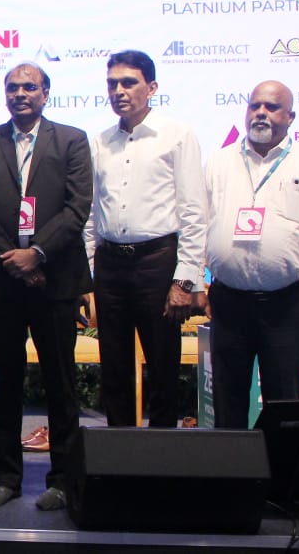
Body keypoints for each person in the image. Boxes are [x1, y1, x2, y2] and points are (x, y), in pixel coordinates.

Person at [0, 63, 92, 510]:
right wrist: (14, 259)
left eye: (29, 87)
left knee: (60, 382)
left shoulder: (71, 140)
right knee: (6, 380)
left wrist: (37, 253)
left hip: (56, 278)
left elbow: (77, 207)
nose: (20, 93)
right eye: (13, 87)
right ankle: (5, 478)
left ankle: (63, 480)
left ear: (45, 93)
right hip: (2, 280)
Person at [203, 80, 299, 428]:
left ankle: (283, 467)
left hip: (288, 304)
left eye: (272, 107)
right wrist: (191, 282)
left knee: (286, 405)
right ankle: (234, 465)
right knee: (227, 403)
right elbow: (197, 225)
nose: (261, 113)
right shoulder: (219, 162)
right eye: (255, 106)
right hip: (228, 302)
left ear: (290, 117)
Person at [85, 50, 206, 428]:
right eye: (112, 84)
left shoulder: (177, 135)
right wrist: (87, 273)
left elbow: (194, 213)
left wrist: (185, 281)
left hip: (158, 261)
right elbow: (91, 214)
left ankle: (162, 453)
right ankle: (120, 450)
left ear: (151, 88)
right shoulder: (100, 141)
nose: (119, 91)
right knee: (114, 366)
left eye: (129, 83)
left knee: (163, 365)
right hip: (109, 264)